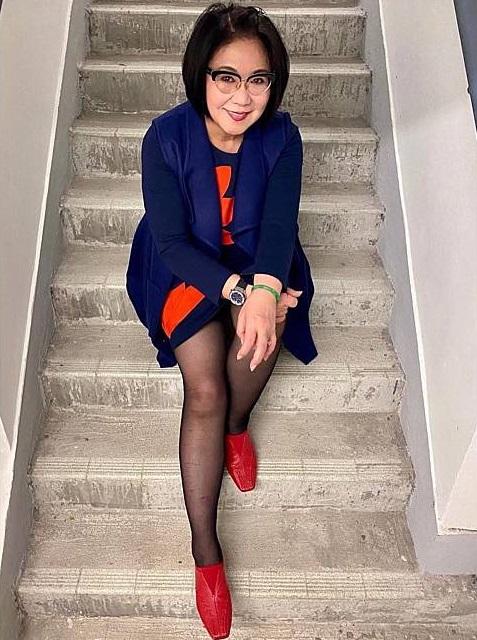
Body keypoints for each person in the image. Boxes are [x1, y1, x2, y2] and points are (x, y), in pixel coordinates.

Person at [125, 3, 318, 638]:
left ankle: (239, 426)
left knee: (268, 330)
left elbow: (280, 226)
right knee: (205, 388)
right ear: (200, 74)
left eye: (258, 79)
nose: (242, 96)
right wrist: (240, 293)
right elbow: (171, 243)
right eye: (226, 76)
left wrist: (265, 288)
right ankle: (206, 553)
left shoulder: (282, 137)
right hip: (187, 267)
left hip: (256, 258)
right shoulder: (165, 136)